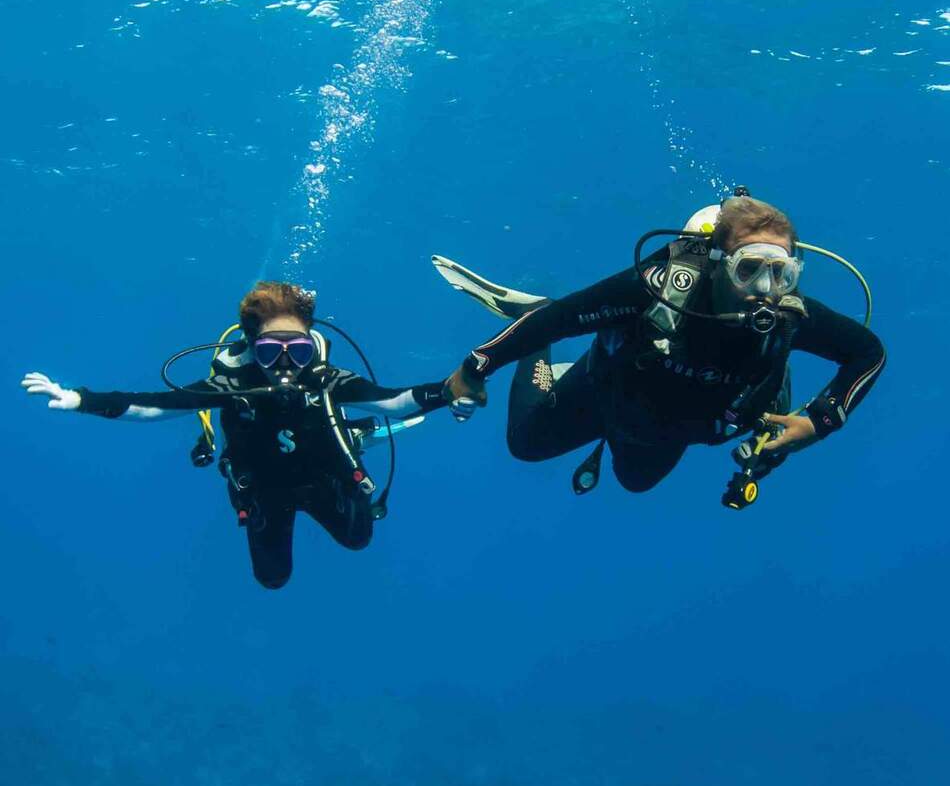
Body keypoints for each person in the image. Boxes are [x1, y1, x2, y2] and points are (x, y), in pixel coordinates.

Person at [22, 281, 475, 589]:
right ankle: (352, 438)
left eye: (297, 349)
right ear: (249, 344)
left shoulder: (322, 377)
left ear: (311, 343)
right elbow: (156, 406)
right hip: (264, 489)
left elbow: (391, 400)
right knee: (272, 579)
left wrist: (449, 389)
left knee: (359, 540)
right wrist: (83, 399)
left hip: (326, 475)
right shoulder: (231, 384)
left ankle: (352, 437)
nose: (284, 364)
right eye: (269, 350)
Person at [439, 194, 885, 495]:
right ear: (716, 263)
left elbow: (868, 352)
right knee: (525, 445)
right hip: (604, 391)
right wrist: (475, 367)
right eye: (749, 269)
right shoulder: (653, 291)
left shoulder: (789, 317)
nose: (766, 289)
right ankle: (529, 313)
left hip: (672, 429)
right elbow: (560, 320)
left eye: (781, 273)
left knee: (635, 483)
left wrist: (818, 422)